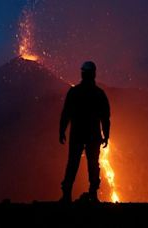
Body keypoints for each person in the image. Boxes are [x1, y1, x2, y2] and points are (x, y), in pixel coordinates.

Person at [59, 61, 110, 203]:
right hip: (93, 135)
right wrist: (106, 135)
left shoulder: (74, 92)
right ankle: (93, 194)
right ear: (94, 74)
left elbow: (66, 113)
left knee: (73, 163)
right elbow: (105, 117)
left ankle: (66, 194)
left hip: (77, 134)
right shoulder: (99, 94)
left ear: (82, 73)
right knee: (93, 164)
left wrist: (62, 130)